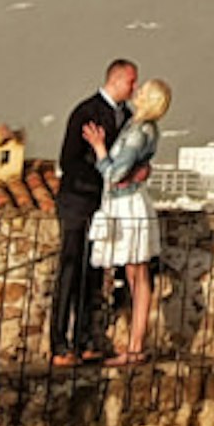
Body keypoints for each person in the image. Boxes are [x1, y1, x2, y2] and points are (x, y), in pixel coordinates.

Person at [50, 58, 137, 364]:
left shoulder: (126, 117)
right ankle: (59, 344)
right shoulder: (86, 112)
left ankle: (86, 339)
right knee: (71, 270)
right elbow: (69, 160)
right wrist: (101, 175)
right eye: (131, 81)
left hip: (103, 204)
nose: (134, 88)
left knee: (94, 273)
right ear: (115, 80)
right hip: (78, 201)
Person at [92, 74, 170, 363]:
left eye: (143, 90)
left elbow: (114, 173)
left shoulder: (139, 131)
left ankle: (136, 345)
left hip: (128, 205)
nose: (136, 91)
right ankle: (135, 344)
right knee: (135, 272)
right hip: (130, 202)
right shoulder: (142, 128)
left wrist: (100, 148)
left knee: (137, 273)